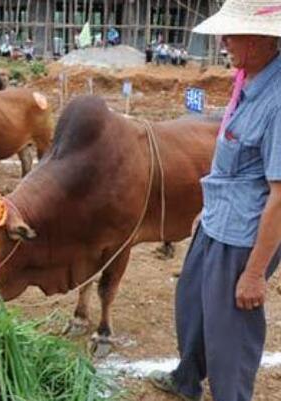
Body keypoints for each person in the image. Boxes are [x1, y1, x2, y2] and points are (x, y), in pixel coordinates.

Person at [148, 2, 281, 401]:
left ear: (259, 41)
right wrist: (209, 208)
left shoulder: (277, 103)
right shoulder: (249, 82)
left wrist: (254, 273)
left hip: (244, 235)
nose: (222, 42)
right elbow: (236, 166)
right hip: (218, 219)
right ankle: (187, 378)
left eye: (230, 34)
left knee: (230, 331)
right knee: (192, 301)